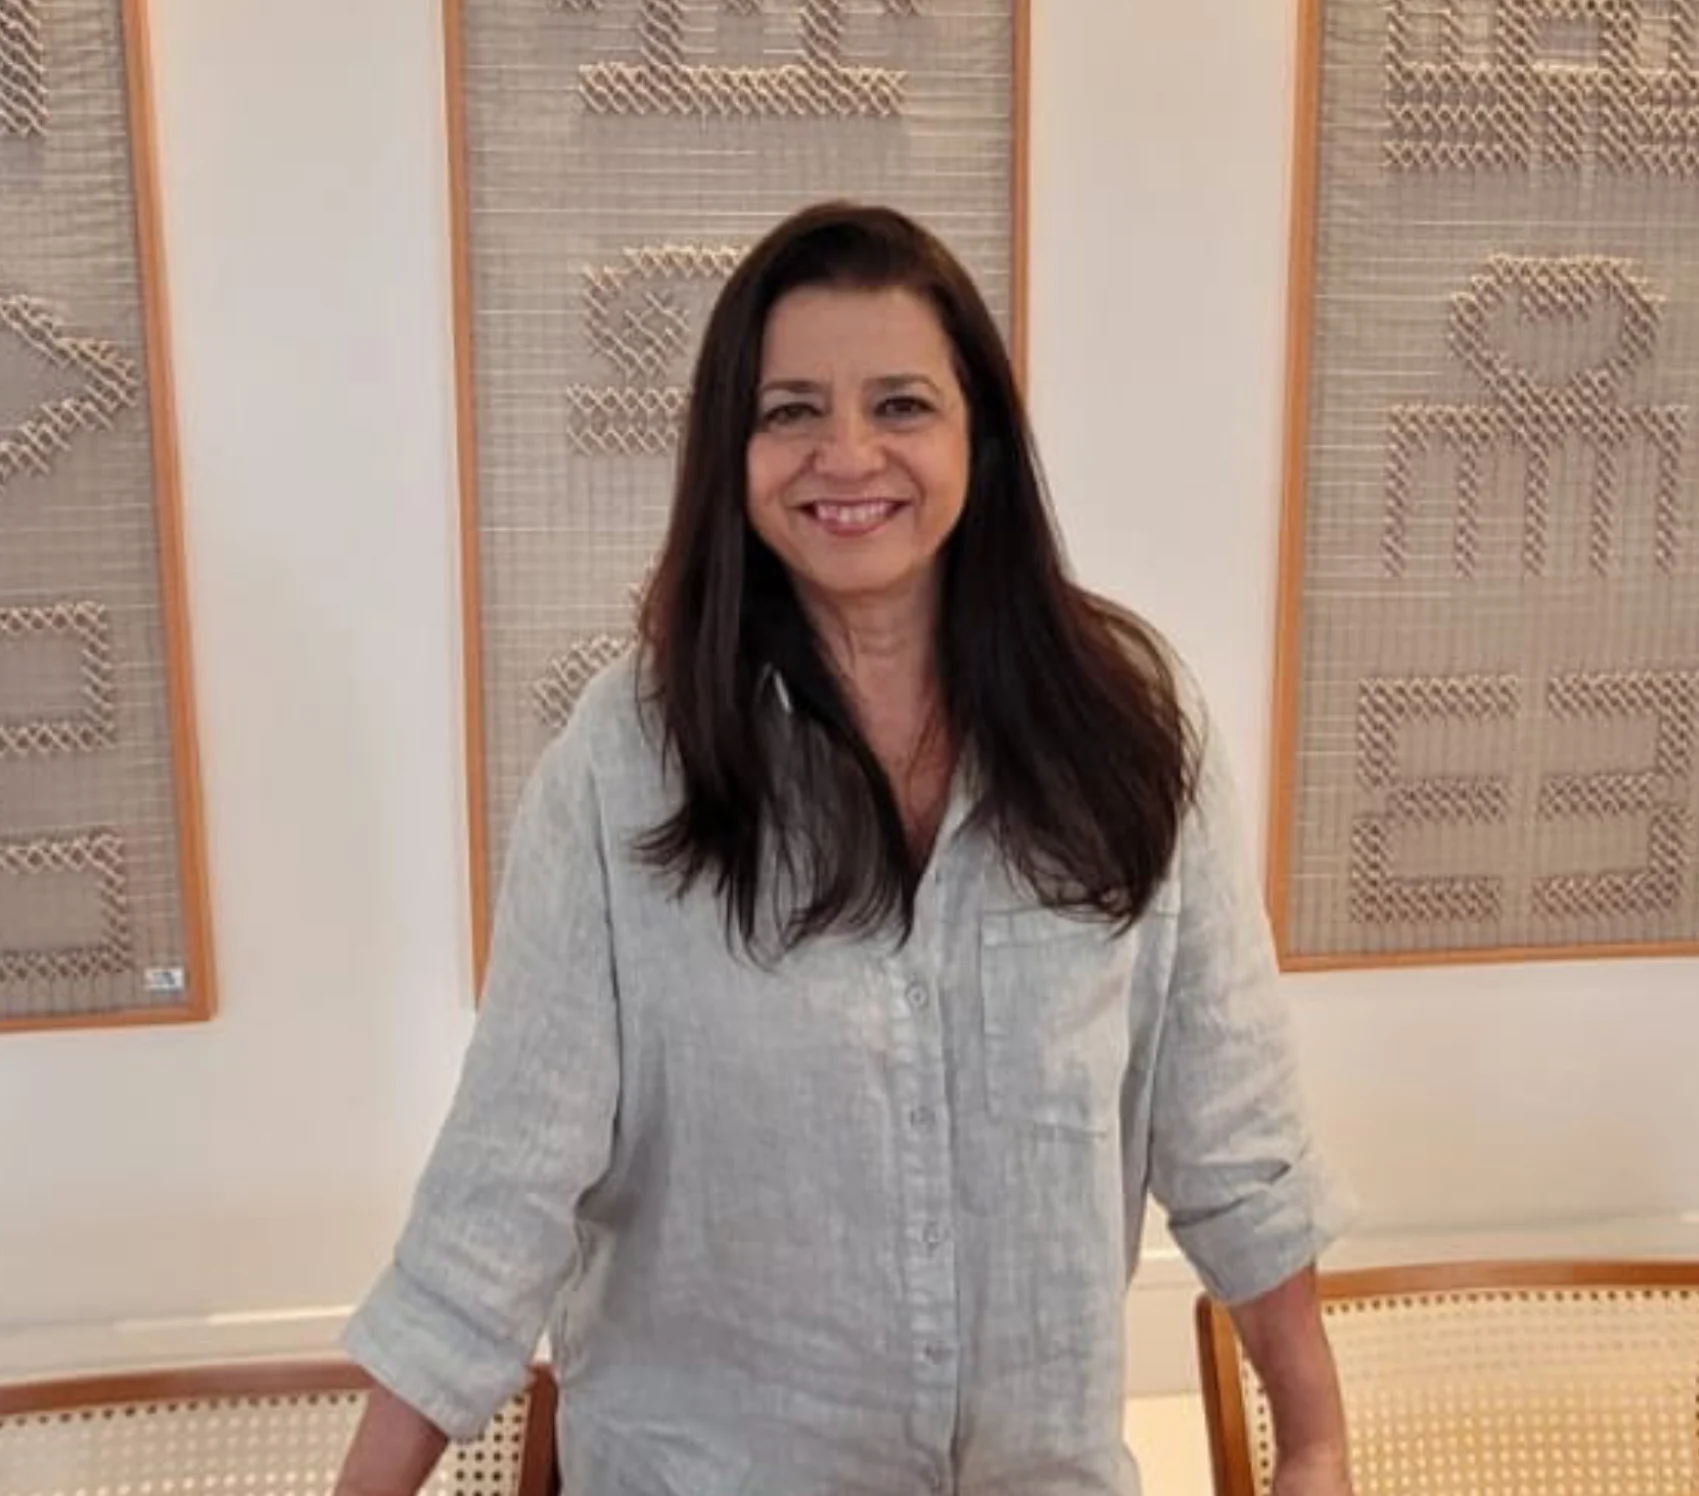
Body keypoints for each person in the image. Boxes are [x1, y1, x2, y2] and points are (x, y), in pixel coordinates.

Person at [335, 201, 1354, 1496]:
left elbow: (1236, 1137)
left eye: (901, 405)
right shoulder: (624, 764)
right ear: (734, 451)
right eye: (792, 411)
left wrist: (1314, 1442)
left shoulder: (1130, 729)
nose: (849, 454)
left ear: (980, 434)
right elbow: (497, 1197)